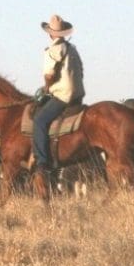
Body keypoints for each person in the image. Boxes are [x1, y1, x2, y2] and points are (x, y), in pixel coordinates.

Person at [32, 14, 84, 180]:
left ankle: (42, 162)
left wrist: (47, 87)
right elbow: (81, 71)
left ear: (50, 33)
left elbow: (49, 75)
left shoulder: (52, 51)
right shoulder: (72, 49)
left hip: (62, 96)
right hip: (77, 95)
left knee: (39, 120)